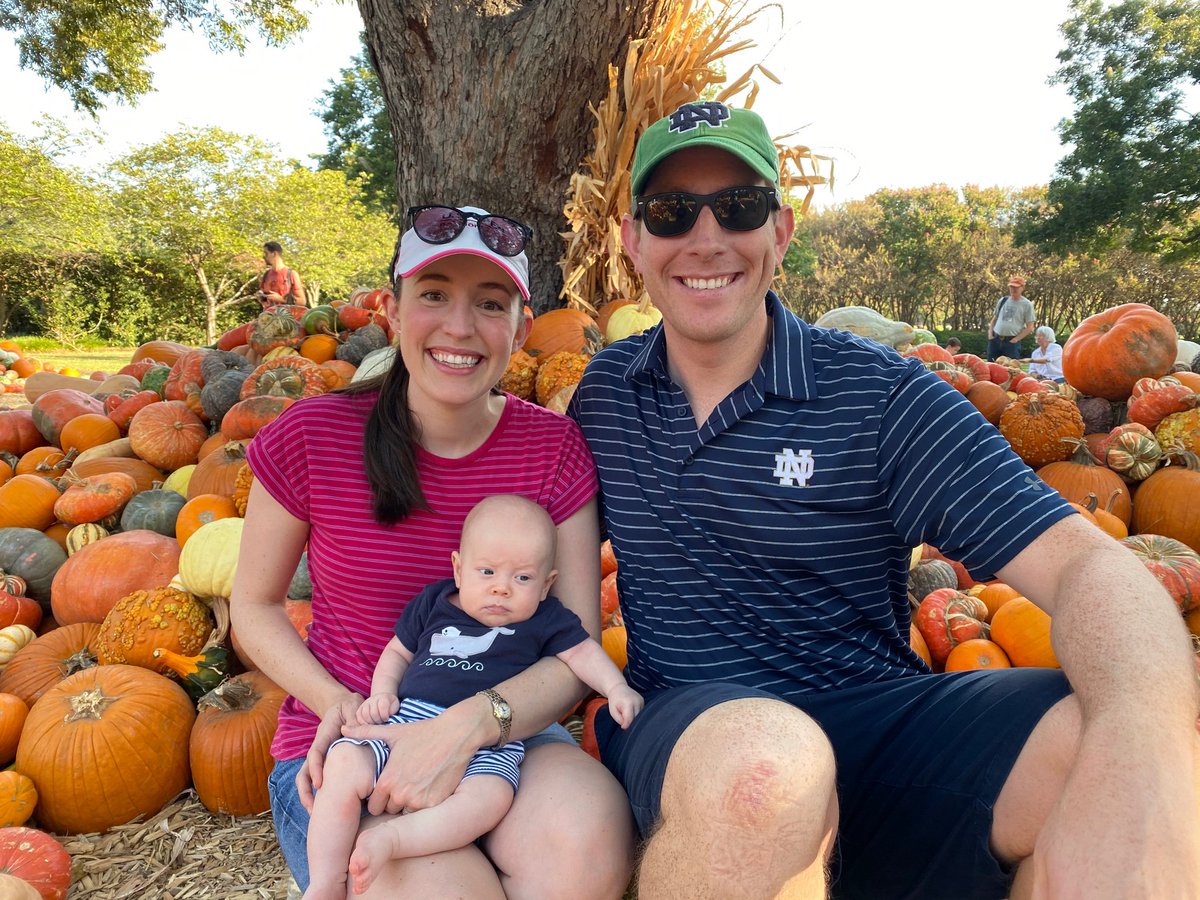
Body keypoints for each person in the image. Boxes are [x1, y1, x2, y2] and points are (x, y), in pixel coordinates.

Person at [569, 100, 1199, 899]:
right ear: (633, 241)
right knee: (764, 769)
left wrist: (1148, 757)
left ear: (781, 231)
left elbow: (1086, 567)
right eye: (669, 211)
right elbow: (487, 521)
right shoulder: (605, 394)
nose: (706, 236)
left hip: (878, 716)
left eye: (739, 206)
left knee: (1110, 741)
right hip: (701, 733)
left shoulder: (879, 396)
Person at [231, 204, 635, 898]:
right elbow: (255, 604)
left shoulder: (553, 448)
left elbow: (574, 647)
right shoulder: (314, 436)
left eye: (489, 303)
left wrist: (471, 728)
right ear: (391, 309)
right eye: (434, 295)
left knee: (587, 844)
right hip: (366, 733)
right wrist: (339, 704)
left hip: (511, 737)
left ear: (521, 327)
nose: (459, 326)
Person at [305, 494, 643, 899]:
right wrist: (381, 694)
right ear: (459, 570)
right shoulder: (435, 604)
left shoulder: (546, 619)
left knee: (491, 797)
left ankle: (397, 839)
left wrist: (616, 687)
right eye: (487, 572)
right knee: (344, 762)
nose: (501, 589)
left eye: (522, 579)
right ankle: (325, 880)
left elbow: (584, 653)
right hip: (408, 719)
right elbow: (397, 651)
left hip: (497, 739)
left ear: (546, 583)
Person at [986, 275, 1035, 361]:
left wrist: (1016, 339)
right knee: (991, 365)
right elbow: (994, 319)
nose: (1013, 289)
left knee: (1010, 368)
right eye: (1011, 287)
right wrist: (990, 333)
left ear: (1022, 288)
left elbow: (1030, 327)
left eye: (1016, 287)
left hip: (1011, 341)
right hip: (996, 338)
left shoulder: (1027, 305)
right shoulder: (1003, 300)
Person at [258, 240, 307, 308]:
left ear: (274, 254)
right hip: (268, 316)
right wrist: (262, 297)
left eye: (266, 253)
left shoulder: (291, 274)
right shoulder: (266, 275)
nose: (264, 257)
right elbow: (265, 299)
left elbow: (302, 301)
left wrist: (281, 299)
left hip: (285, 316)